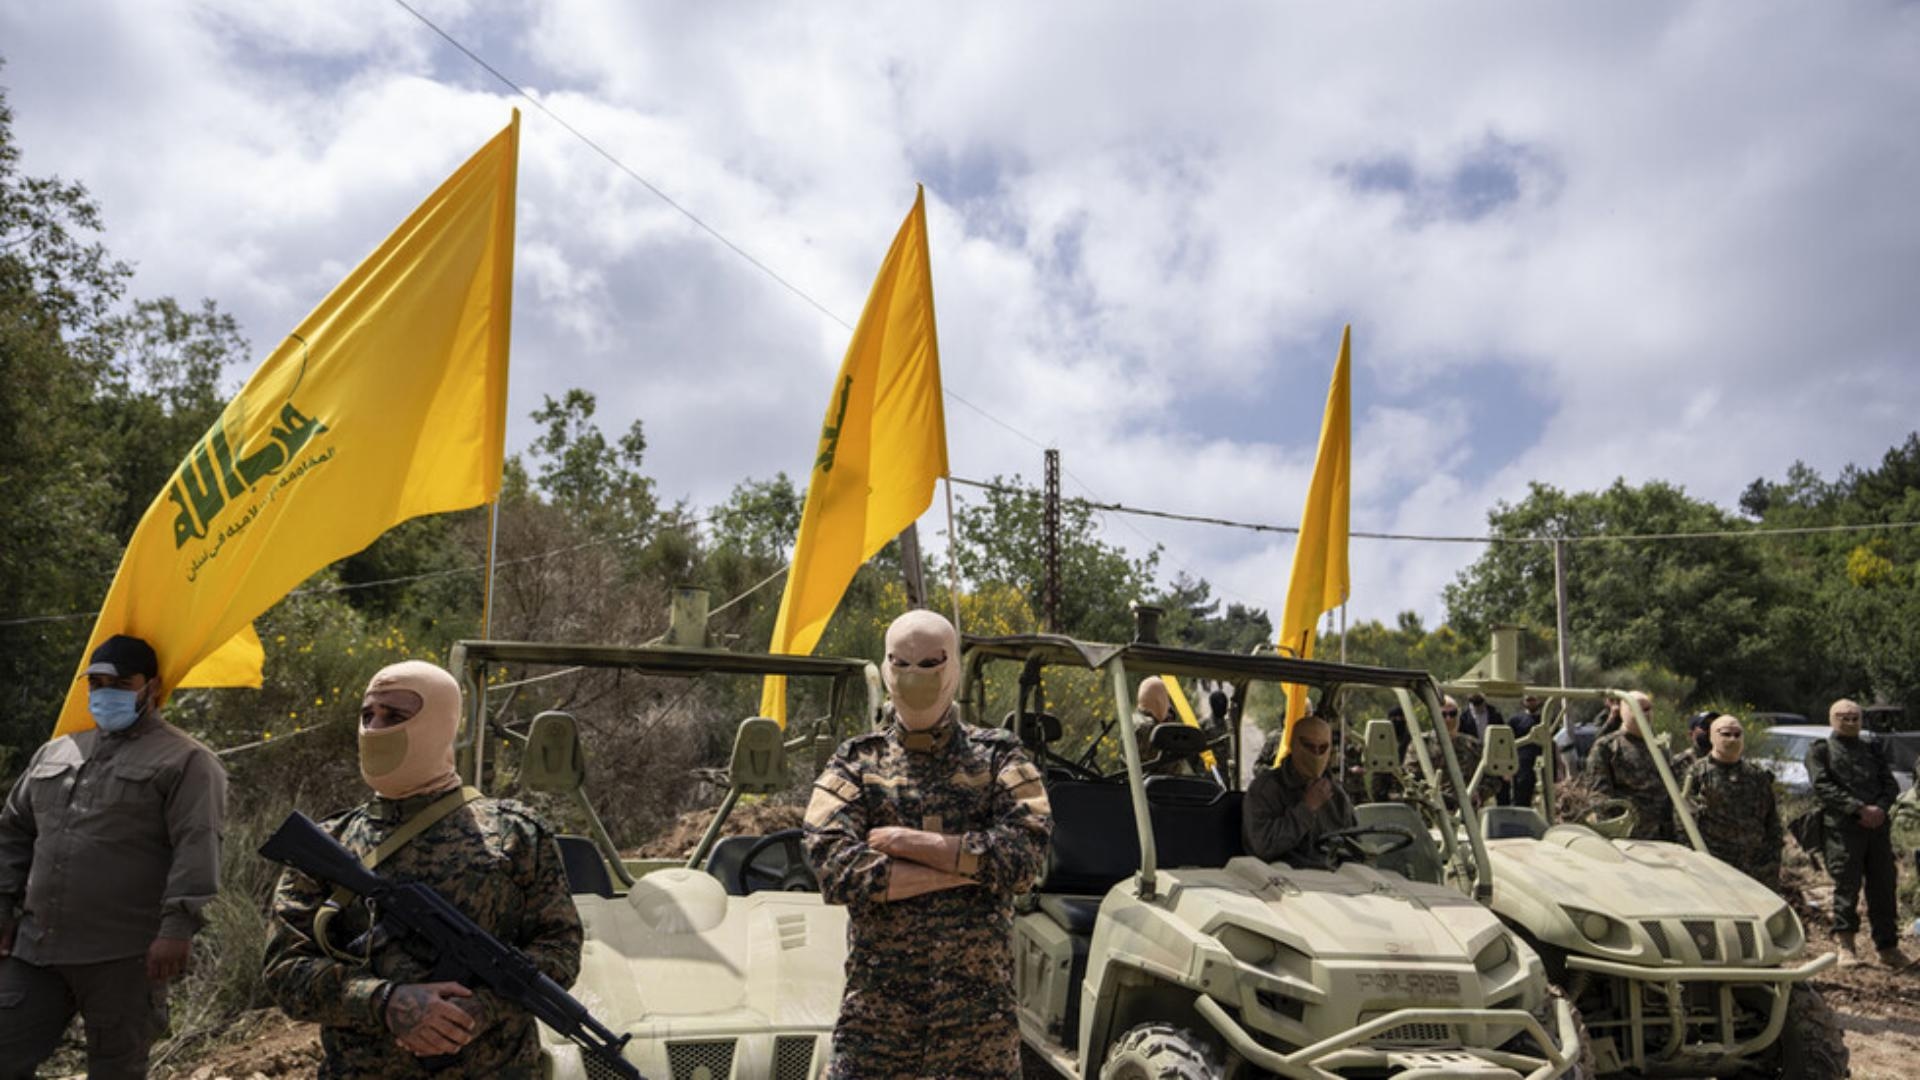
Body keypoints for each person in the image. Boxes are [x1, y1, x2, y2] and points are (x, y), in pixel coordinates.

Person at [261, 660, 583, 1077]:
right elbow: (284, 969)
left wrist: (480, 1008)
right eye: (367, 715)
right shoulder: (330, 842)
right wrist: (386, 1002)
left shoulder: (514, 834)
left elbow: (560, 949)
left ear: (439, 723)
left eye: (394, 716)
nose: (374, 728)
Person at [804, 611, 1053, 1078]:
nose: (914, 675)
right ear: (885, 668)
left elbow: (1023, 859)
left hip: (978, 1031)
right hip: (876, 1028)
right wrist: (967, 868)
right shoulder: (857, 762)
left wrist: (904, 841)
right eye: (902, 662)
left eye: (929, 663)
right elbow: (836, 868)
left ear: (954, 668)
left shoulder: (1000, 756)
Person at [0, 634, 228, 1080]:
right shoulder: (57, 751)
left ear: (152, 688)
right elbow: (13, 831)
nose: (105, 694)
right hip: (36, 949)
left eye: (120, 683)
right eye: (97, 683)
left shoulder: (187, 761)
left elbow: (196, 847)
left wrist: (177, 927)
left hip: (124, 957)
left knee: (116, 1069)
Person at [1807, 698, 1908, 968]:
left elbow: (1889, 783)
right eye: (1844, 717)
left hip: (1877, 830)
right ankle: (1846, 945)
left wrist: (1880, 810)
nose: (1850, 722)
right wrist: (1858, 809)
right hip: (1843, 830)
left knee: (1884, 887)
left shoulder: (1872, 749)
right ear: (1832, 719)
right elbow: (1822, 785)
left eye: (1855, 718)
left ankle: (1888, 947)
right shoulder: (1821, 750)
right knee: (1846, 888)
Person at [1682, 715, 1783, 890]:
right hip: (1712, 864)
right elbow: (1682, 822)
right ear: (1712, 737)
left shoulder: (1756, 776)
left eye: (1738, 734)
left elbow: (1772, 821)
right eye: (1726, 734)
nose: (1733, 739)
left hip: (1752, 866)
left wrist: (1771, 861)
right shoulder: (1696, 774)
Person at [1244, 715, 1356, 868]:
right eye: (1309, 747)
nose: (1316, 754)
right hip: (1280, 879)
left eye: (1322, 748)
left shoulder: (1336, 795)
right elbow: (1262, 847)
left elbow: (1353, 847)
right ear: (1293, 745)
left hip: (1332, 880)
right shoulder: (1265, 790)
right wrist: (1307, 808)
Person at [1585, 691, 1676, 841]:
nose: (1645, 714)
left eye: (1648, 709)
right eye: (1638, 709)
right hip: (1627, 837)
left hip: (1661, 838)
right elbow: (1598, 797)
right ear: (1623, 712)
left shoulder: (1660, 748)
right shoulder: (1607, 747)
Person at [1405, 696, 1495, 809]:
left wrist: (1479, 794)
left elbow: (1493, 779)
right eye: (1443, 714)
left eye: (1453, 714)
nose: (1448, 719)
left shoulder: (1473, 745)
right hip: (1431, 811)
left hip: (1467, 814)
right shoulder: (1421, 744)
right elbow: (1410, 777)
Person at [1508, 695, 1544, 810]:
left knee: (1544, 793)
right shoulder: (1515, 720)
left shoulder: (1545, 719)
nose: (1531, 703)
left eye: (1533, 699)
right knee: (1521, 796)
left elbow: (1553, 742)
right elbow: (1509, 743)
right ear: (1523, 702)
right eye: (1528, 700)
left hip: (1542, 760)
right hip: (1522, 763)